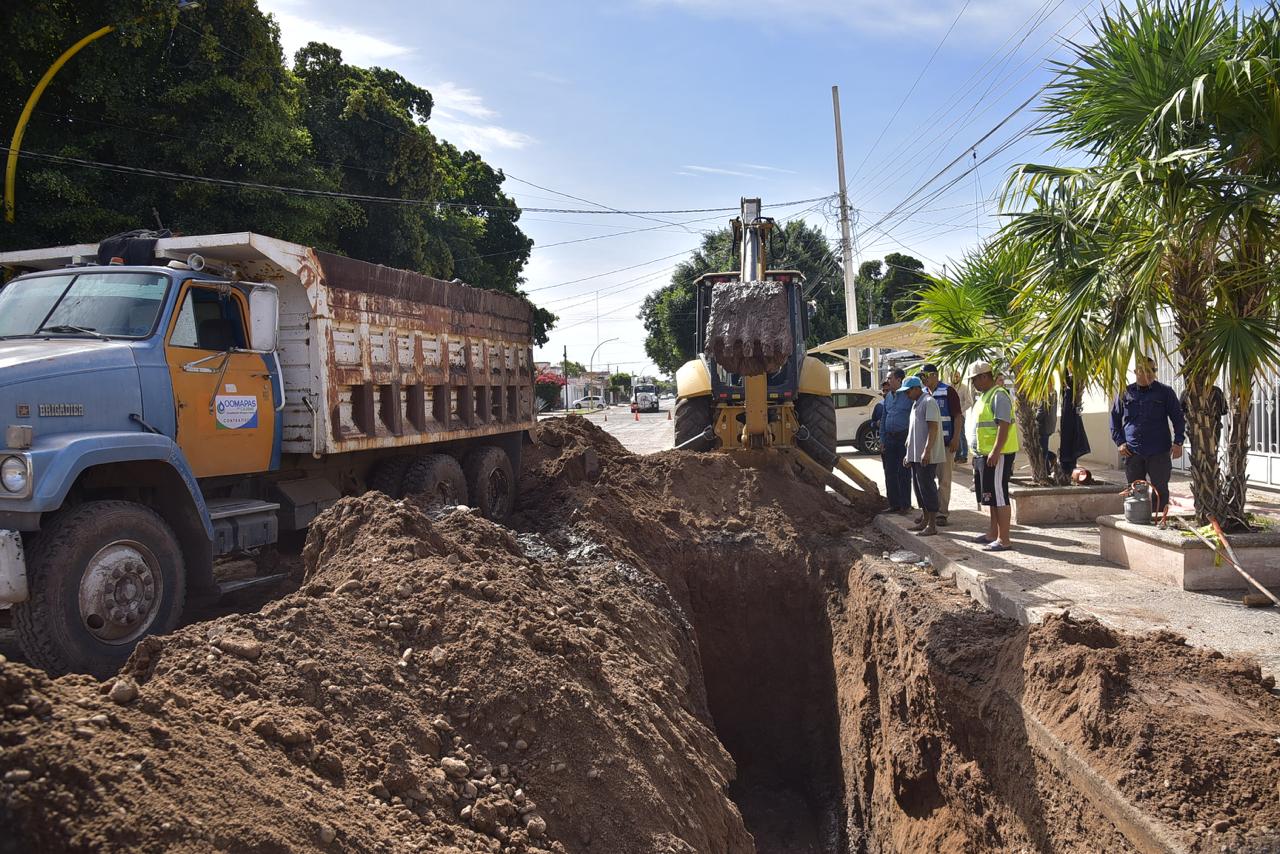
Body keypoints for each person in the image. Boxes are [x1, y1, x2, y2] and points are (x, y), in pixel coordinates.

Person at [1111, 356, 1185, 517]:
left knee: (1160, 489)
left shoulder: (1165, 392)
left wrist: (1178, 442)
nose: (1150, 374)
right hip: (1132, 452)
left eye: (1153, 370)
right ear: (1136, 372)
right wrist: (1120, 442)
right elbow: (1115, 420)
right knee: (1135, 488)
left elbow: (1178, 418)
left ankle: (1159, 520)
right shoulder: (1125, 393)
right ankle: (1136, 519)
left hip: (1158, 450)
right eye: (1145, 370)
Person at [968, 360, 1019, 550]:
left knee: (999, 495)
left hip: (998, 454)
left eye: (974, 379)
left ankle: (1004, 539)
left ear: (984, 376)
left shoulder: (998, 396)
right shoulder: (984, 397)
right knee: (990, 496)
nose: (973, 383)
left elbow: (1003, 426)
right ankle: (992, 533)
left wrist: (996, 451)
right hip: (984, 454)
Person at [919, 363, 963, 526]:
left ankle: (942, 513)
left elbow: (958, 416)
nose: (923, 379)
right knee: (928, 479)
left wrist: (956, 438)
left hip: (945, 444)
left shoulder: (948, 391)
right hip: (928, 445)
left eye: (925, 376)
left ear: (934, 375)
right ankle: (929, 511)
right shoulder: (922, 393)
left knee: (944, 480)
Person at [902, 376, 943, 536]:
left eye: (908, 391)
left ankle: (932, 524)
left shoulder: (928, 402)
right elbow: (912, 432)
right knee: (919, 489)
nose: (906, 395)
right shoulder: (915, 405)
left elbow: (933, 428)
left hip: (926, 455)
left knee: (927, 488)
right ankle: (925, 520)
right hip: (915, 455)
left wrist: (927, 451)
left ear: (916, 388)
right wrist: (908, 454)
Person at [879, 368, 914, 514]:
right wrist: (882, 439)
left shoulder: (908, 396)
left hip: (903, 438)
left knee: (904, 472)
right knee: (890, 472)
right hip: (889, 438)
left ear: (899, 380)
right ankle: (893, 503)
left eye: (890, 378)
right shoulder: (888, 397)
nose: (888, 381)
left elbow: (914, 419)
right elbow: (883, 419)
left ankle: (905, 505)